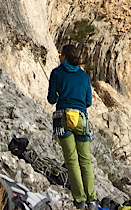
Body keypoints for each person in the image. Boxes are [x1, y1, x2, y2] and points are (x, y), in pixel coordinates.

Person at [47, 43, 97, 210]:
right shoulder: (84, 77)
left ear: (64, 57)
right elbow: (88, 101)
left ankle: (79, 199)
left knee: (71, 160)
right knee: (85, 160)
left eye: (61, 54)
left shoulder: (56, 72)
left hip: (63, 118)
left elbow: (51, 99)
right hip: (81, 119)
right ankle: (92, 200)